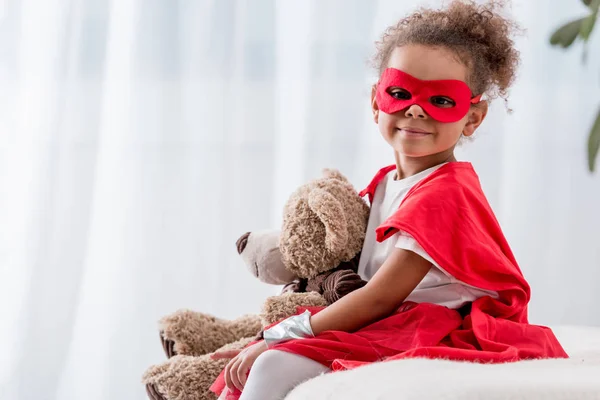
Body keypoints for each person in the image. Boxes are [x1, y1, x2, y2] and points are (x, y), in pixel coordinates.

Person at [210, 1, 568, 399]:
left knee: (273, 363)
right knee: (250, 354)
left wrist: (278, 335)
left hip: (435, 323)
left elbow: (382, 295)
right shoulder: (389, 182)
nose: (415, 108)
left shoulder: (444, 195)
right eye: (400, 92)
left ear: (473, 117)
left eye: (442, 100)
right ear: (376, 102)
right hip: (395, 314)